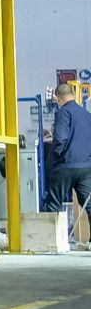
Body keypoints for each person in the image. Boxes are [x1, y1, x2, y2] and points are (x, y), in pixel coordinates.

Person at [47, 82, 91, 214]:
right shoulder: (87, 114)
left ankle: (53, 235)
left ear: (58, 99)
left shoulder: (63, 112)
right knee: (89, 205)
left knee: (54, 204)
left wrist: (54, 159)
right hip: (86, 167)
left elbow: (60, 138)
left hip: (65, 165)